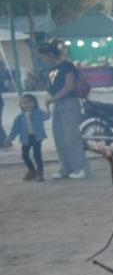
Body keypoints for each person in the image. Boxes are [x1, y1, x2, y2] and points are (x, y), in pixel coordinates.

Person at [38, 43, 90, 179]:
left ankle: (80, 168)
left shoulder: (67, 67)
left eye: (44, 57)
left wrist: (52, 99)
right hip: (58, 104)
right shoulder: (50, 70)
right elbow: (52, 88)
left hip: (69, 103)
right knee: (59, 137)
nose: (43, 60)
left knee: (71, 137)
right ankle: (66, 167)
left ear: (51, 55)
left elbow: (69, 86)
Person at [7, 94, 48, 181]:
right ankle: (32, 171)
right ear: (21, 105)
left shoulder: (39, 112)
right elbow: (15, 129)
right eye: (24, 103)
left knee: (37, 155)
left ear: (34, 103)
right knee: (25, 155)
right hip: (26, 138)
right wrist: (10, 138)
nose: (27, 105)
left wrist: (47, 107)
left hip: (37, 137)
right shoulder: (20, 117)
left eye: (29, 102)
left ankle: (40, 173)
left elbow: (47, 117)